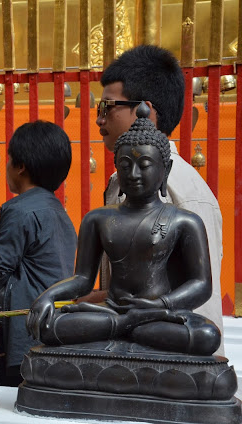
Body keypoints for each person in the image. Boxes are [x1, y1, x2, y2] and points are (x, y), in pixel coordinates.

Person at [28, 105, 220, 356]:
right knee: (48, 326)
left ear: (165, 170)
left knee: (207, 335)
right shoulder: (98, 218)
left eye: (145, 164)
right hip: (112, 311)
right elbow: (83, 279)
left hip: (158, 315)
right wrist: (47, 296)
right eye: (125, 165)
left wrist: (159, 305)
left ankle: (123, 327)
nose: (133, 174)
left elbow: (201, 284)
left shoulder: (184, 221)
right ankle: (126, 325)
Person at [95, 44, 224, 354]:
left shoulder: (184, 191)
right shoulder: (117, 182)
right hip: (123, 338)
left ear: (145, 111)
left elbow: (201, 299)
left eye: (107, 107)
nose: (100, 120)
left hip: (168, 349)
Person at [0, 121, 77, 386]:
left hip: (21, 335)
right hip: (53, 331)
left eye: (9, 159)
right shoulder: (60, 212)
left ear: (20, 166)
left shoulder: (19, 210)